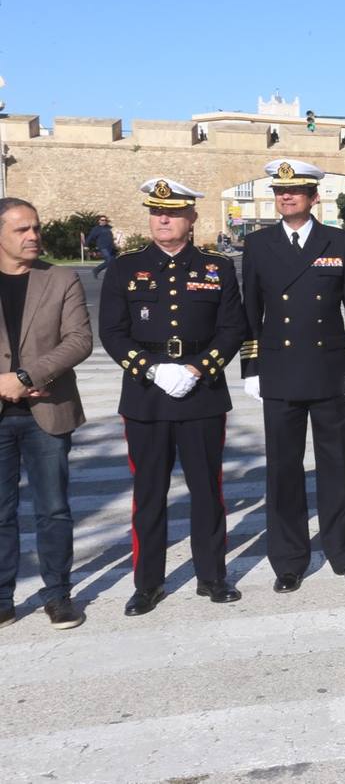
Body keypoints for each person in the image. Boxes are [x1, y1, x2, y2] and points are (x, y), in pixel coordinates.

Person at [98, 178, 246, 615]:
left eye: (174, 212)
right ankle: (148, 584)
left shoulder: (217, 267)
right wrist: (150, 368)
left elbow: (232, 327)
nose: (163, 219)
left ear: (191, 218)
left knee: (207, 491)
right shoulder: (125, 268)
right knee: (148, 493)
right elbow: (111, 331)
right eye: (156, 212)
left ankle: (212, 577)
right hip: (146, 394)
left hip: (201, 393)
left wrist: (199, 367)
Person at [240, 159, 345, 592]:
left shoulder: (339, 240)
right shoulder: (258, 245)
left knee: (338, 467)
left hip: (330, 369)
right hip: (280, 371)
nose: (286, 196)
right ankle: (289, 561)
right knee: (284, 471)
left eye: (295, 190)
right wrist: (251, 367)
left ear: (315, 196)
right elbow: (250, 313)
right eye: (280, 191)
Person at [0, 198, 93, 630]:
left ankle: (58, 595)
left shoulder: (61, 279)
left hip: (47, 408)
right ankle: (3, 597)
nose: (33, 236)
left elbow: (78, 341)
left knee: (53, 510)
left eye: (35, 228)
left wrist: (25, 375)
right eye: (21, 229)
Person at [88, 214, 116, 279]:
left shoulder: (108, 228)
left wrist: (114, 245)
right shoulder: (96, 229)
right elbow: (90, 237)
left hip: (110, 247)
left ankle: (110, 275)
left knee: (113, 261)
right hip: (103, 247)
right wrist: (86, 245)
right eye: (102, 220)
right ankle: (96, 270)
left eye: (105, 220)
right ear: (99, 221)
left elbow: (111, 237)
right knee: (109, 260)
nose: (104, 221)